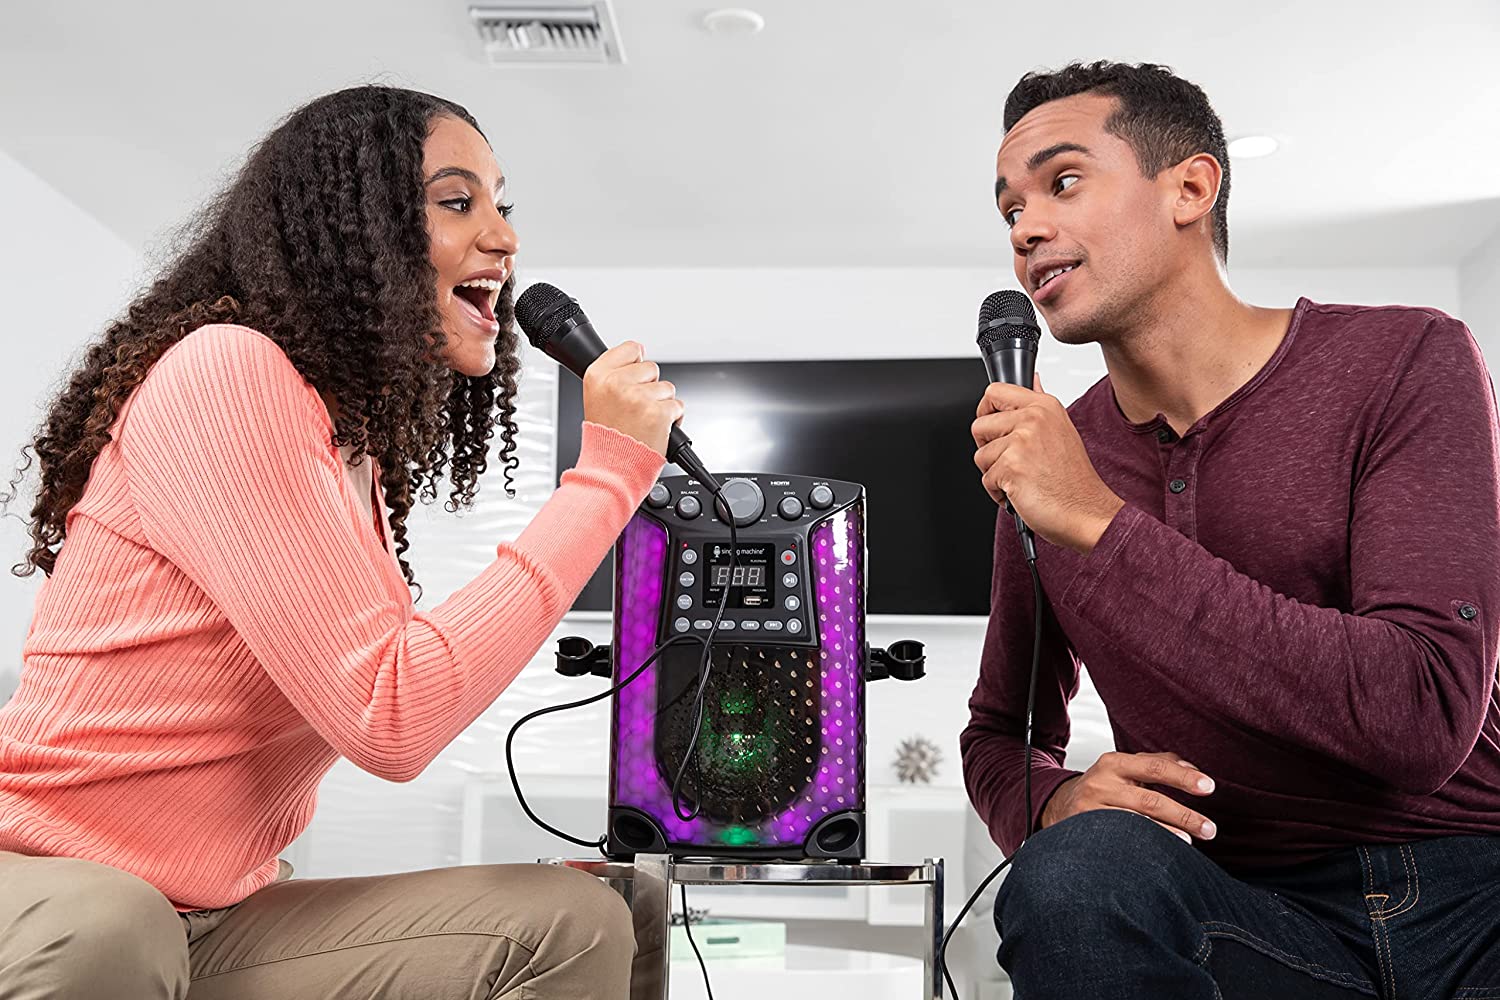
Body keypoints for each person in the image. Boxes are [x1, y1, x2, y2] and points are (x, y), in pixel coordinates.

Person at [0, 85, 678, 1000]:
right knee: (113, 923)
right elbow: (392, 716)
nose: (504, 237)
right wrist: (609, 476)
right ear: (355, 234)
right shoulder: (224, 369)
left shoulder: (348, 451)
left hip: (204, 917)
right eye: (457, 202)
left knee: (587, 915)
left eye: (501, 204)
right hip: (39, 882)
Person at [961, 61, 1500, 998]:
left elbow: (1421, 713)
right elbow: (1001, 731)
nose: (1025, 229)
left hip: (1474, 895)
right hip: (1244, 911)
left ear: (1190, 188)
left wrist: (1100, 522)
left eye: (1064, 182)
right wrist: (1055, 799)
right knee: (1074, 872)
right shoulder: (1047, 461)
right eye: (1010, 209)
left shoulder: (1407, 358)